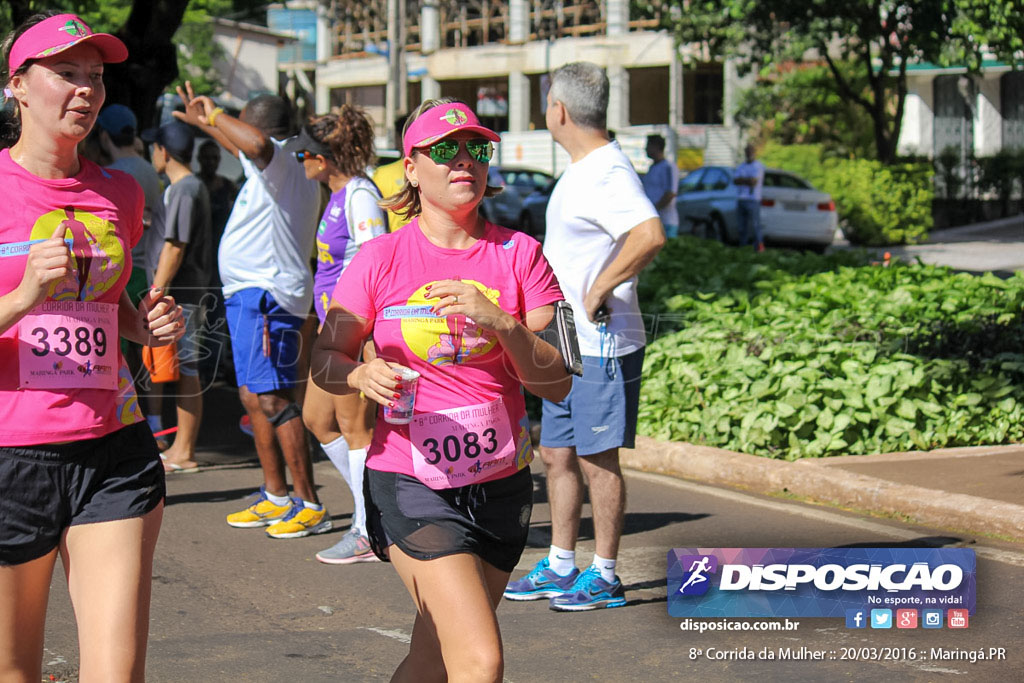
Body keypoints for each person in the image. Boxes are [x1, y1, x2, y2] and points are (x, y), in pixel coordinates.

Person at [311, 97, 570, 681]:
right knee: (479, 661)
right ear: (410, 168)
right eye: (443, 150)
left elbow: (555, 383)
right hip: (412, 483)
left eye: (477, 149)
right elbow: (325, 360)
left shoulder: (520, 255)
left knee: (433, 657)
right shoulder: (380, 258)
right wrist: (357, 374)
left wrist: (501, 322)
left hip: (501, 484)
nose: (463, 162)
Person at [0, 12, 184, 682]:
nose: (85, 90)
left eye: (96, 78)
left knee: (116, 673)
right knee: (14, 669)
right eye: (66, 74)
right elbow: (29, 304)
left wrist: (148, 324)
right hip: (11, 455)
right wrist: (21, 297)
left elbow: (107, 310)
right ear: (17, 85)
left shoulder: (120, 193)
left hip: (113, 445)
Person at [503, 62, 665, 611]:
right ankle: (561, 563)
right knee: (556, 454)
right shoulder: (583, 169)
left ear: (560, 111)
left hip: (602, 343)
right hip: (569, 344)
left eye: (547, 100)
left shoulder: (607, 172)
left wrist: (599, 289)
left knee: (598, 458)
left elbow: (649, 234)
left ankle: (607, 574)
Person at [173, 82, 328, 538]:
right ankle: (276, 494)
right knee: (251, 394)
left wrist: (217, 113)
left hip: (266, 295)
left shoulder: (279, 159)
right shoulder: (280, 161)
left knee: (273, 398)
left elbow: (255, 143)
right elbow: (247, 145)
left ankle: (309, 503)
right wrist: (207, 122)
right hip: (251, 293)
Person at [287, 106, 388, 563]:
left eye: (304, 154)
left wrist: (365, 337)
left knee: (355, 429)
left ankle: (368, 530)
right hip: (333, 330)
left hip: (352, 332)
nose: (299, 162)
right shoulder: (336, 194)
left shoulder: (361, 196)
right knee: (317, 418)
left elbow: (374, 263)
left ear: (324, 158)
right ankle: (379, 513)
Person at [96, 102, 171, 438]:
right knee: (148, 353)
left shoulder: (112, 176)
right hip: (150, 268)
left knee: (120, 355)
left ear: (103, 136)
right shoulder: (148, 171)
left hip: (124, 273)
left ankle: (128, 422)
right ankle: (153, 421)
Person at [144, 120, 212, 474]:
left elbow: (175, 246)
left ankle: (184, 450)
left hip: (183, 294)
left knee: (187, 370)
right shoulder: (182, 187)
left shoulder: (185, 188)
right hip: (182, 293)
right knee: (182, 369)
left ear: (164, 151)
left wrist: (156, 290)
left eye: (154, 147)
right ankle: (180, 447)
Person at [642, 133, 680, 238]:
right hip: (653, 221)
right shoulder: (652, 168)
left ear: (657, 147)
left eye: (648, 146)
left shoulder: (668, 167)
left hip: (666, 221)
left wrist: (654, 209)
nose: (645, 149)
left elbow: (671, 193)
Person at [733, 143, 765, 251]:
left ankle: (759, 247)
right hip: (741, 199)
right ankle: (743, 248)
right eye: (747, 151)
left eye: (751, 151)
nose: (748, 153)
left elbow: (753, 182)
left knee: (755, 225)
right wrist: (747, 180)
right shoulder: (741, 166)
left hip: (753, 200)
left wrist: (743, 180)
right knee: (742, 227)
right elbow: (735, 180)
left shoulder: (758, 166)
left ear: (754, 153)